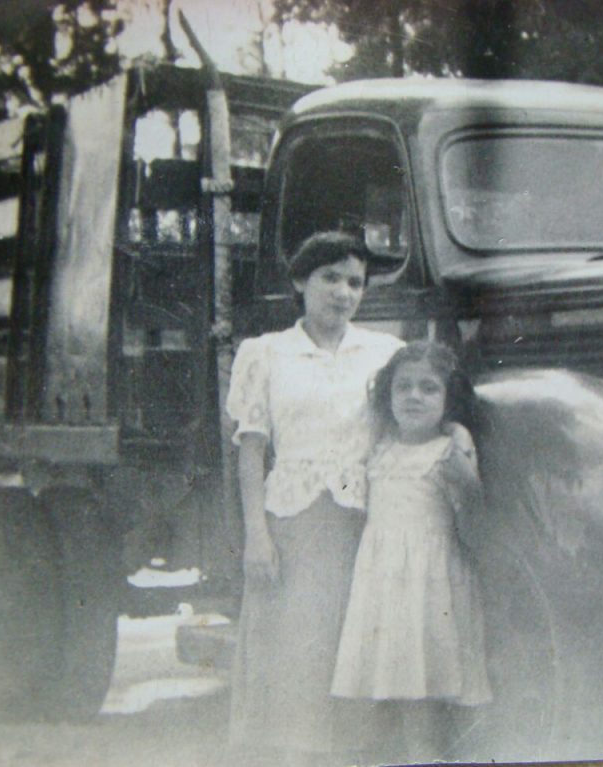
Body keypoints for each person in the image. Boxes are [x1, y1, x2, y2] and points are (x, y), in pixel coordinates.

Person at [224, 231, 404, 767]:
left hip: (361, 522)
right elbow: (251, 450)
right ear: (300, 280)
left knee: (352, 646)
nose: (343, 293)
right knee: (293, 650)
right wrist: (256, 536)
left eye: (355, 283)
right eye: (330, 278)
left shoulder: (384, 353)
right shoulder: (266, 354)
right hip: (292, 523)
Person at [330, 341, 493, 763]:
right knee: (389, 681)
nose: (413, 397)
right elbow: (348, 492)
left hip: (430, 583)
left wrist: (466, 478)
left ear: (448, 399)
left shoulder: (449, 447)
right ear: (388, 395)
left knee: (424, 685)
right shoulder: (379, 447)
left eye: (428, 388)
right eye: (403, 387)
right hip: (384, 580)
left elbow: (476, 527)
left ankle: (427, 754)